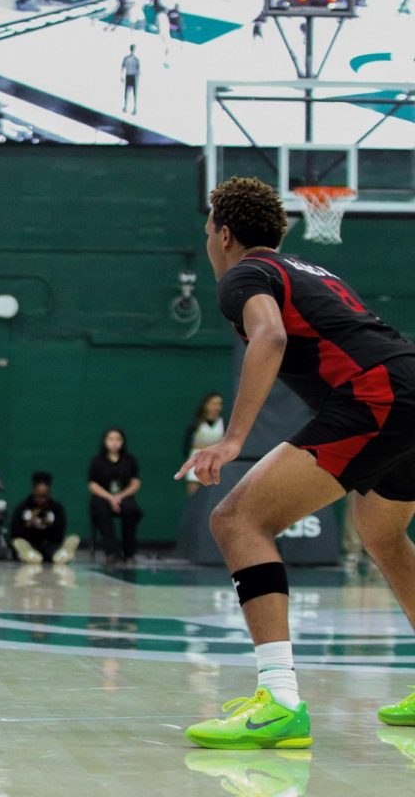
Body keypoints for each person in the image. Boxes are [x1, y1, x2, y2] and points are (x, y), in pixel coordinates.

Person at [177, 176, 415, 748]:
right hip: (406, 383)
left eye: (208, 230)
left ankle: (279, 700)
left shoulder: (244, 275)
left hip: (375, 395)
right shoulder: (310, 270)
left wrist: (233, 440)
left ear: (224, 233)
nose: (209, 241)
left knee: (236, 520)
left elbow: (270, 338)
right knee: (382, 534)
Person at [88, 428, 143, 565]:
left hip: (124, 497)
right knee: (101, 511)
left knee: (131, 510)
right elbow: (92, 484)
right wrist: (110, 498)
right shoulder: (97, 461)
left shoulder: (129, 460)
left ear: (122, 442)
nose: (114, 443)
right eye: (111, 439)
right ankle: (112, 552)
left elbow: (135, 483)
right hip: (103, 497)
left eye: (118, 439)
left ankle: (129, 553)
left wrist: (120, 496)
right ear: (105, 441)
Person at [11, 471, 79, 564]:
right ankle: (28, 554)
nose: (41, 500)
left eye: (44, 496)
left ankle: (64, 553)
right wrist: (29, 524)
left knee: (54, 551)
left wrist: (49, 524)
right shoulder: (22, 508)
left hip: (49, 544)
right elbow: (14, 533)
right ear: (33, 491)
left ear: (49, 492)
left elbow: (59, 533)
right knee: (20, 544)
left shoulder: (56, 508)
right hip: (30, 543)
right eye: (38, 496)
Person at [181, 392, 225, 496]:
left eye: (220, 404)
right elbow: (185, 448)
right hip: (196, 465)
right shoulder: (196, 424)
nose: (217, 407)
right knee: (194, 499)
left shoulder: (224, 424)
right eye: (214, 403)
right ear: (206, 405)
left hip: (216, 466)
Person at [120, 45, 140, 115]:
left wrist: (121, 76)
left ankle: (127, 107)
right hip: (132, 76)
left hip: (129, 75)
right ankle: (132, 108)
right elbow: (138, 70)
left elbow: (122, 67)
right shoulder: (135, 59)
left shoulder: (127, 58)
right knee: (132, 93)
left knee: (128, 92)